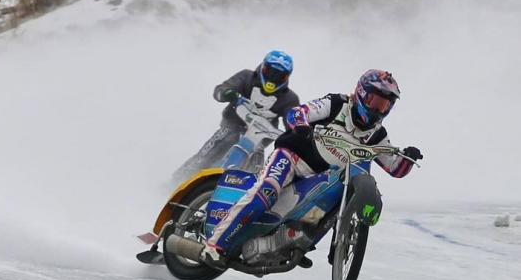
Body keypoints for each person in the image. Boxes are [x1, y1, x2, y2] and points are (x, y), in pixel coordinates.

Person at [201, 69, 423, 268]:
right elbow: (298, 113)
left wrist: (408, 158)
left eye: (384, 105)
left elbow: (395, 169)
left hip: (321, 178)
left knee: (336, 201)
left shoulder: (378, 135)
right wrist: (300, 127)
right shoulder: (336, 103)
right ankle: (215, 246)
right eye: (375, 101)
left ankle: (296, 241)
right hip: (293, 156)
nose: (378, 109)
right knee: (266, 191)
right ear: (362, 93)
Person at [173, 50, 300, 183]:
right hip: (232, 127)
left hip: (259, 140)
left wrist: (295, 135)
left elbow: (294, 123)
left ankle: (239, 198)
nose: (272, 79)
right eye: (270, 72)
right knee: (204, 157)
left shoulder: (289, 99)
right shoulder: (246, 77)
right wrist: (228, 94)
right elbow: (220, 90)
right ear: (263, 67)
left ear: (287, 78)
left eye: (280, 76)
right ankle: (175, 182)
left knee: (255, 175)